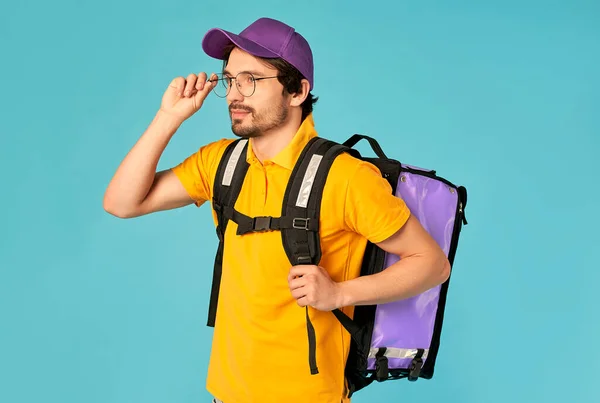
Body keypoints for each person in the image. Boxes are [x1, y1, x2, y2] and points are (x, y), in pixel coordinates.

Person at [103, 17, 450, 403]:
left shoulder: (345, 177)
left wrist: (338, 293)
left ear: (297, 91)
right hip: (227, 391)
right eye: (231, 79)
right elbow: (121, 202)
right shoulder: (221, 162)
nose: (235, 93)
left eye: (251, 79)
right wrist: (168, 118)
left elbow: (432, 263)